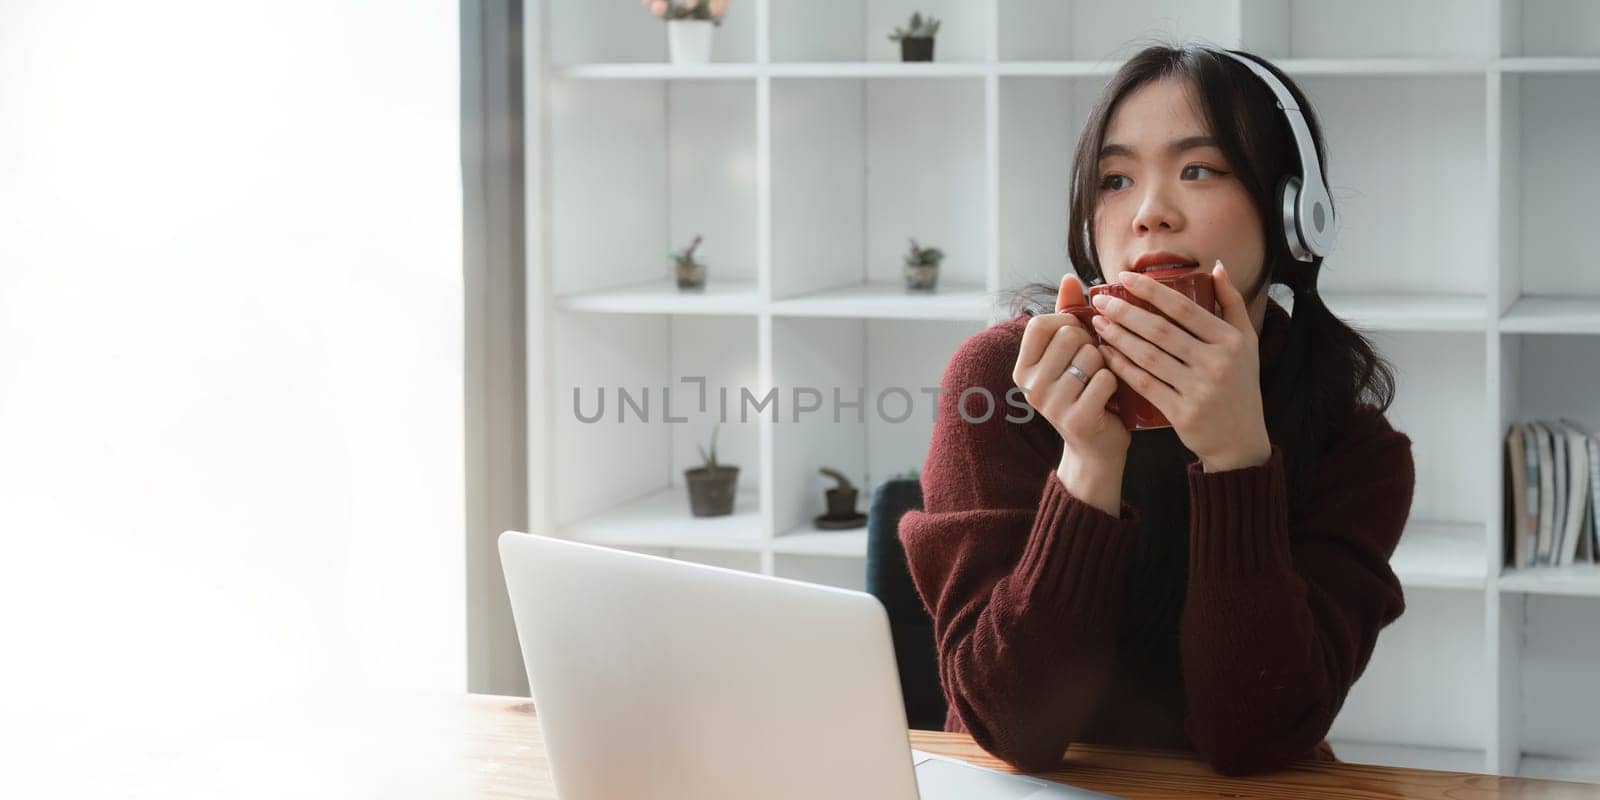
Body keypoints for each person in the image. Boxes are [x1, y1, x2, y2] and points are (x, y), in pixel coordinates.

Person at [896, 44, 1415, 778]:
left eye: (1198, 169)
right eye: (1115, 179)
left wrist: (1238, 459)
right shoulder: (1003, 382)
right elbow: (1013, 728)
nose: (1149, 215)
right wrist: (1087, 465)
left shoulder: (1356, 450)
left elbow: (1255, 738)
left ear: (1296, 214)